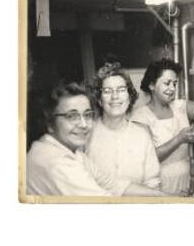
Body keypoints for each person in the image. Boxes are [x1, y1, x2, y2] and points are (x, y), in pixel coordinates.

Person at [27, 82, 168, 197]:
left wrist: (163, 197)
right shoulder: (56, 163)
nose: (83, 124)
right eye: (72, 116)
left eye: (87, 115)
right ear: (50, 123)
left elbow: (113, 184)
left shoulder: (72, 153)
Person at [130, 59, 194, 195]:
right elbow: (148, 158)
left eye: (174, 83)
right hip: (162, 185)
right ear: (152, 85)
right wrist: (179, 139)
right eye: (167, 83)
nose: (172, 88)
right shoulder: (140, 117)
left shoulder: (179, 106)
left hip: (191, 177)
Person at [86, 63, 167, 195]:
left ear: (129, 96)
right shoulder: (87, 134)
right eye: (107, 91)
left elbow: (152, 184)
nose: (115, 96)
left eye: (121, 90)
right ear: (99, 100)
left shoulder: (142, 135)